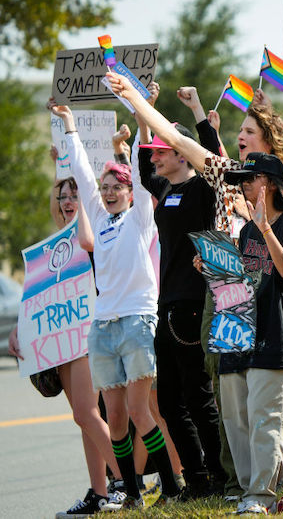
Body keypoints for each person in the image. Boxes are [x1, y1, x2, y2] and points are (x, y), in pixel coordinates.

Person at [112, 77, 283, 495]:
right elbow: (174, 140)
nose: (240, 144)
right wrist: (135, 101)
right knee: (230, 399)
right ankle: (236, 481)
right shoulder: (225, 179)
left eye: (249, 134)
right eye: (238, 136)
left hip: (271, 310)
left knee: (273, 402)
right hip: (229, 299)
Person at [48, 99, 181, 508]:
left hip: (138, 320)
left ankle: (173, 490)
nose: (106, 193)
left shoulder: (141, 215)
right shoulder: (100, 217)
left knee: (142, 412)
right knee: (117, 419)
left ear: (129, 191)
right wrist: (69, 125)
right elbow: (84, 175)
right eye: (104, 190)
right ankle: (133, 493)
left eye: (114, 188)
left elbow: (143, 171)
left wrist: (143, 113)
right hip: (103, 327)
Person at [8, 156, 127, 517]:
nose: (67, 199)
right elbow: (38, 295)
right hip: (61, 336)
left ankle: (126, 484)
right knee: (80, 416)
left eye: (74, 192)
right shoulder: (51, 248)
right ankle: (99, 493)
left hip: (91, 334)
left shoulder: (96, 237)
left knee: (89, 412)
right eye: (61, 195)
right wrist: (20, 328)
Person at [135, 83, 225, 499]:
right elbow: (139, 167)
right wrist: (144, 110)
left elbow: (216, 163)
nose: (155, 157)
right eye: (154, 151)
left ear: (179, 153)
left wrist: (198, 112)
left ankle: (220, 475)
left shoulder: (203, 188)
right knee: (169, 402)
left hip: (193, 302)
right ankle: (197, 478)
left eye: (161, 151)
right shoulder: (165, 189)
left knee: (199, 396)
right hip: (166, 304)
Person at [206, 152, 283, 514]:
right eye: (241, 181)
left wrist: (264, 226)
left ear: (272, 183)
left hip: (274, 335)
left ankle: (262, 496)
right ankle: (248, 491)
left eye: (251, 179)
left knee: (267, 420)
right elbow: (243, 281)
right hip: (238, 337)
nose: (244, 186)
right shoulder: (245, 229)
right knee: (237, 420)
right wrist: (214, 267)